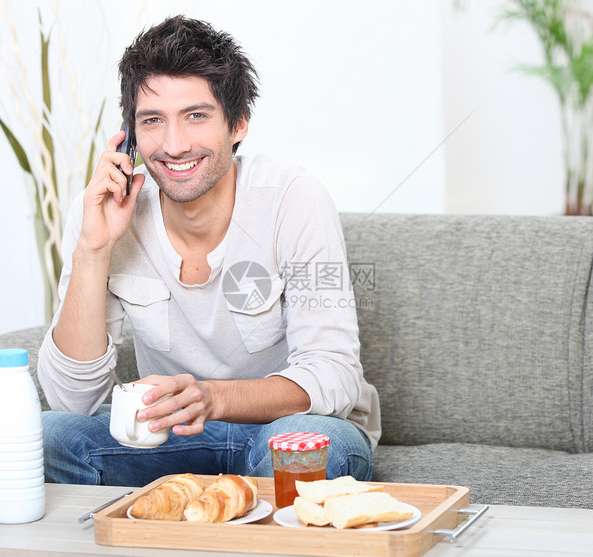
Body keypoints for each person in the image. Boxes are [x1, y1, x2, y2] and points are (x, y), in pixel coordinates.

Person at [37, 15, 380, 487]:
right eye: (153, 121)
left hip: (282, 430)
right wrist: (93, 250)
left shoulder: (292, 198)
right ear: (130, 138)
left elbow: (335, 375)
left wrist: (211, 398)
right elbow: (70, 402)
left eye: (196, 116)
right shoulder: (102, 211)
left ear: (237, 124)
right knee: (46, 438)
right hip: (169, 439)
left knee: (321, 443)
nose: (175, 145)